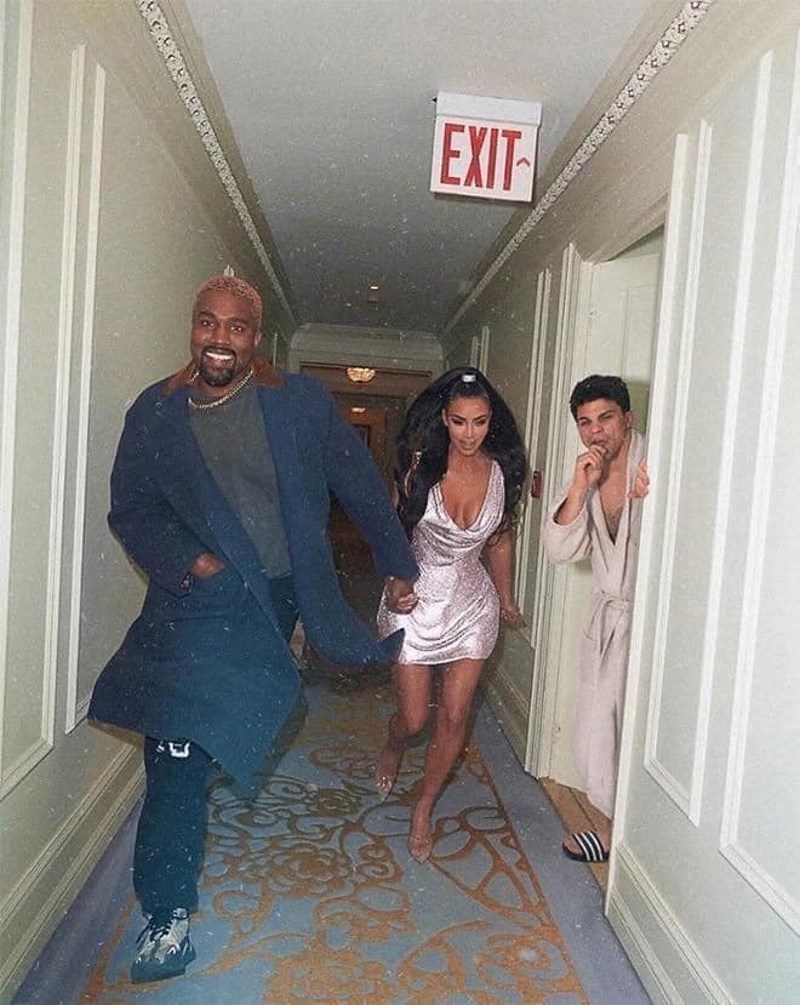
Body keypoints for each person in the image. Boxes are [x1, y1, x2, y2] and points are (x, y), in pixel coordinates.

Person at [88, 274, 417, 983]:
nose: (219, 339)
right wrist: (195, 562)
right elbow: (131, 509)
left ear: (255, 338)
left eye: (236, 327)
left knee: (225, 725)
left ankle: (212, 745)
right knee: (174, 747)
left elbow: (357, 481)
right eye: (207, 322)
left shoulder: (297, 402)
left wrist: (396, 563)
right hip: (196, 599)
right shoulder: (154, 411)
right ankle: (166, 913)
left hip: (276, 595)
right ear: (192, 326)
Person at [374, 367, 526, 863]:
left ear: (490, 421)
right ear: (444, 418)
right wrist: (396, 582)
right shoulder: (419, 469)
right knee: (414, 718)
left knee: (456, 713)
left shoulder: (500, 474)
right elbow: (392, 533)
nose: (468, 433)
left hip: (471, 606)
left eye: (479, 422)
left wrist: (505, 597)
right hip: (415, 602)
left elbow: (498, 540)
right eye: (459, 421)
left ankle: (423, 808)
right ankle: (394, 744)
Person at [542, 374, 649, 864]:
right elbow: (559, 550)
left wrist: (654, 498)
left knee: (634, 735)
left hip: (648, 622)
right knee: (593, 735)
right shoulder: (587, 472)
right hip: (607, 623)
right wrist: (578, 488)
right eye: (585, 423)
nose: (596, 431)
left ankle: (619, 838)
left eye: (605, 418)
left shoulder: (656, 464)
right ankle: (612, 828)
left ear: (627, 418)